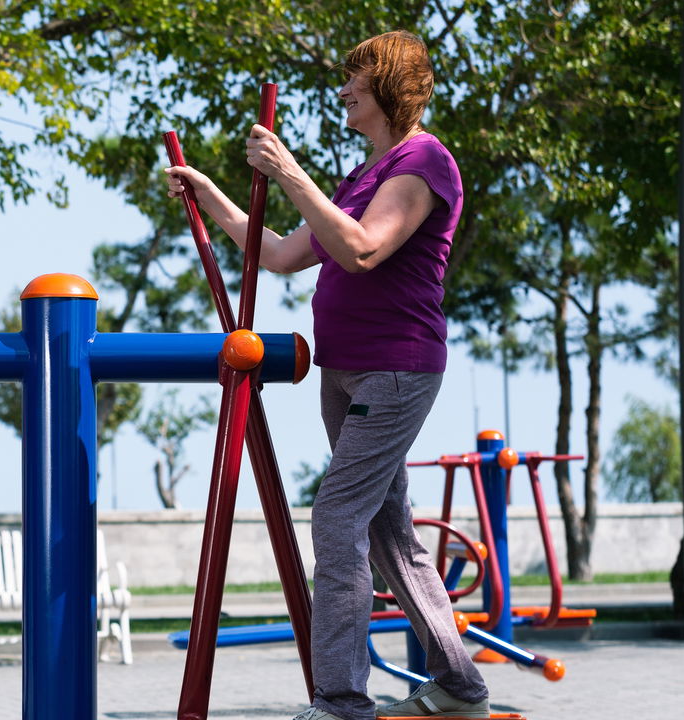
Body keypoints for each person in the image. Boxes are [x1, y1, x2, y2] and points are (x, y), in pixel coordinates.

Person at [164, 30, 490, 720]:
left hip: (394, 371)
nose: (343, 90)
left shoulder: (425, 161)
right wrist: (209, 193)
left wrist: (287, 171)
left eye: (355, 80)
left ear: (390, 88)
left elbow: (364, 249)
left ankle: (341, 700)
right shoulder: (365, 174)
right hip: (343, 373)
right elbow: (281, 254)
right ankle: (460, 689)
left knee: (338, 514)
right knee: (386, 530)